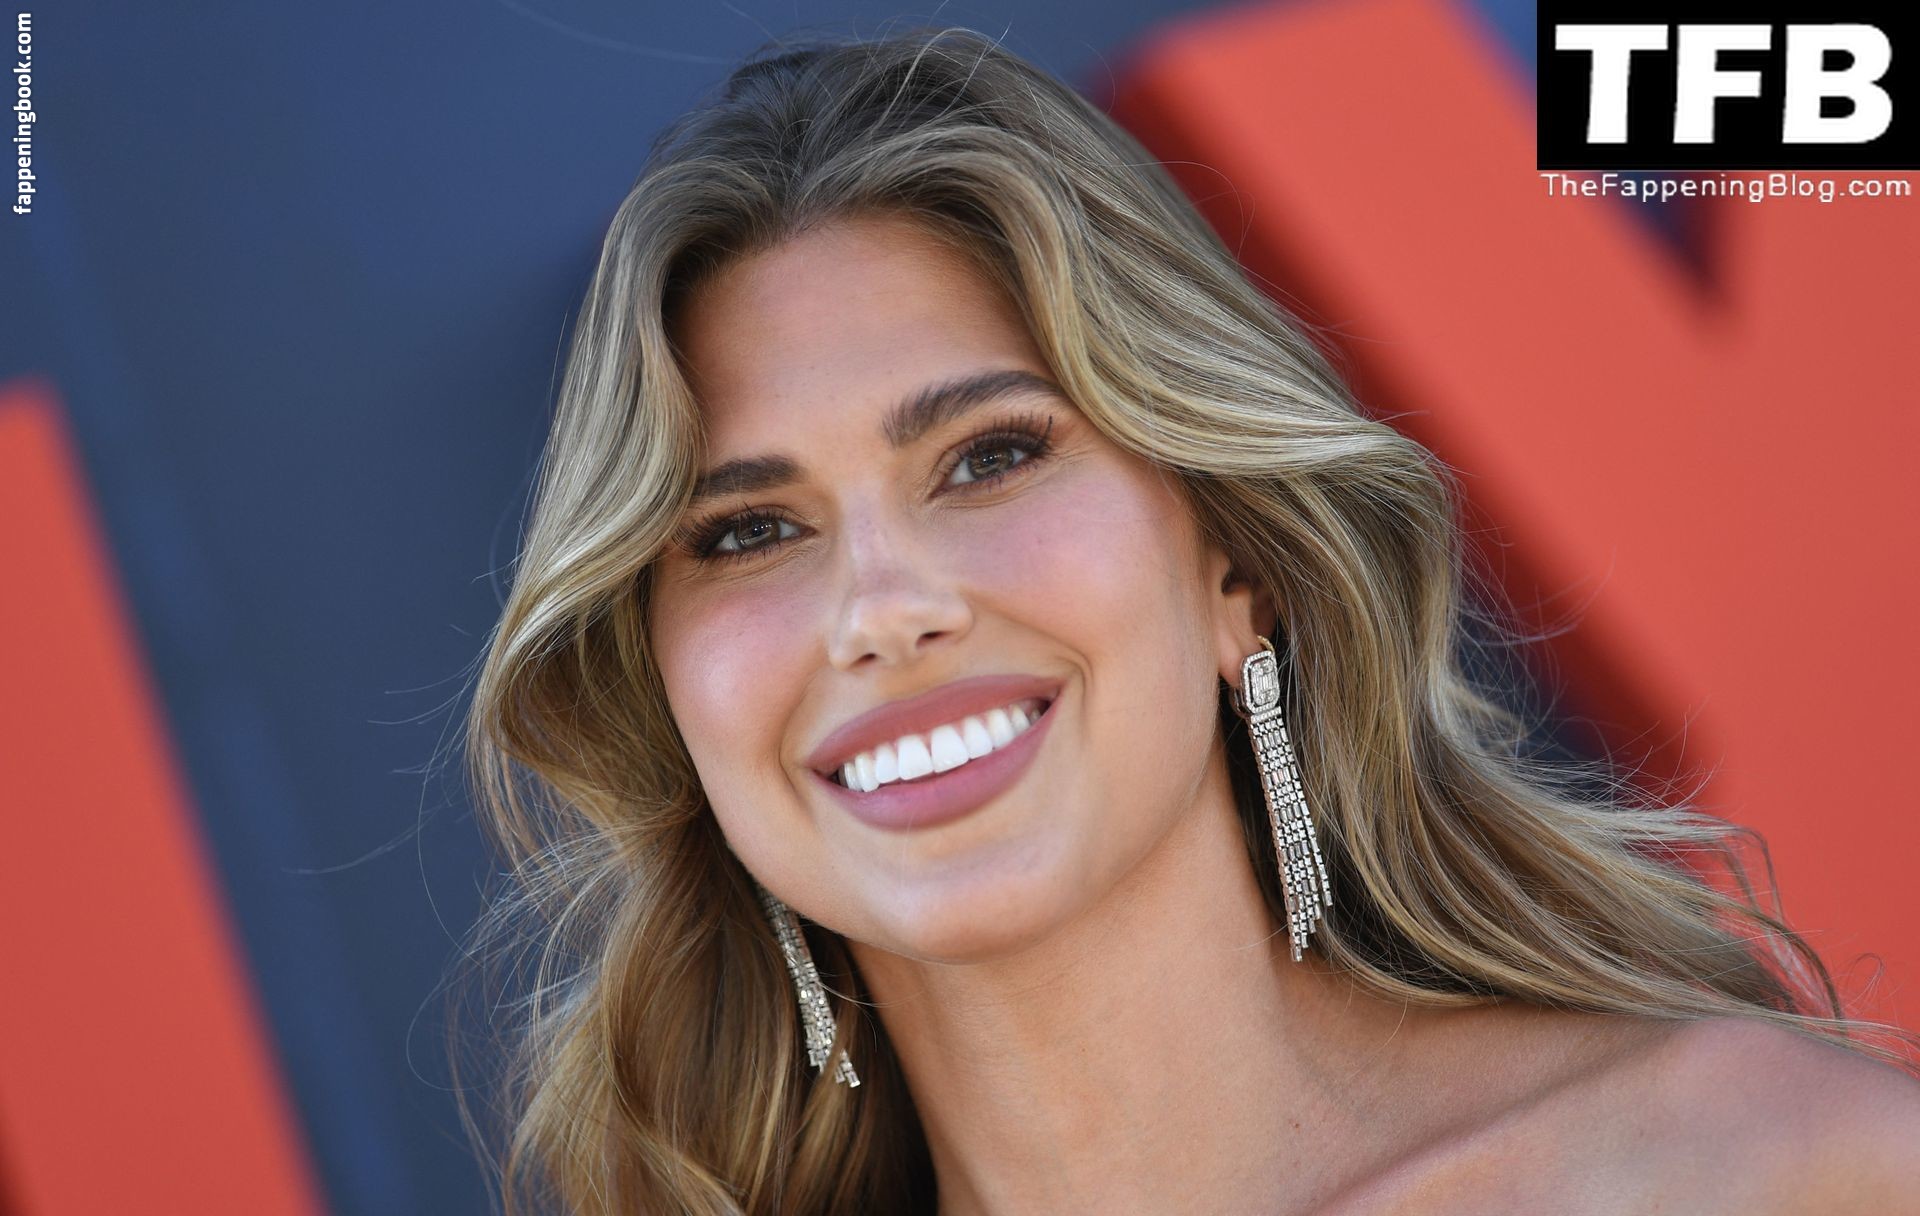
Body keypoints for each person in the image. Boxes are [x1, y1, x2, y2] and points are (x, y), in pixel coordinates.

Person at [454, 26, 1920, 1215]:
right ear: (668, 694)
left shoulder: (1773, 1176)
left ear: (1237, 568)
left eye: (989, 457)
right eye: (748, 531)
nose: (883, 611)